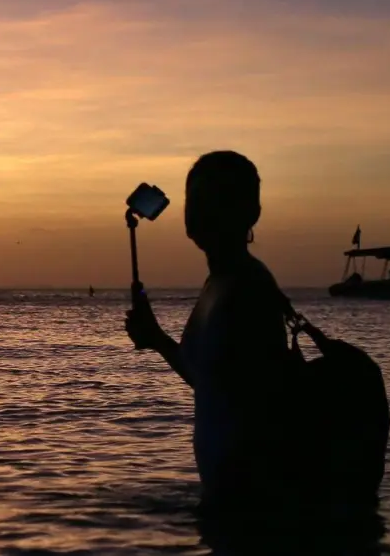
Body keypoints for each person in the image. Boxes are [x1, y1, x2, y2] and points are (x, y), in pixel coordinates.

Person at [124, 151, 301, 517]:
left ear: (250, 212)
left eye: (218, 198)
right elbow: (213, 383)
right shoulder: (220, 281)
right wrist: (157, 338)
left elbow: (257, 405)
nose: (203, 209)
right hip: (228, 500)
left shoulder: (246, 289)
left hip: (252, 504)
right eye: (196, 199)